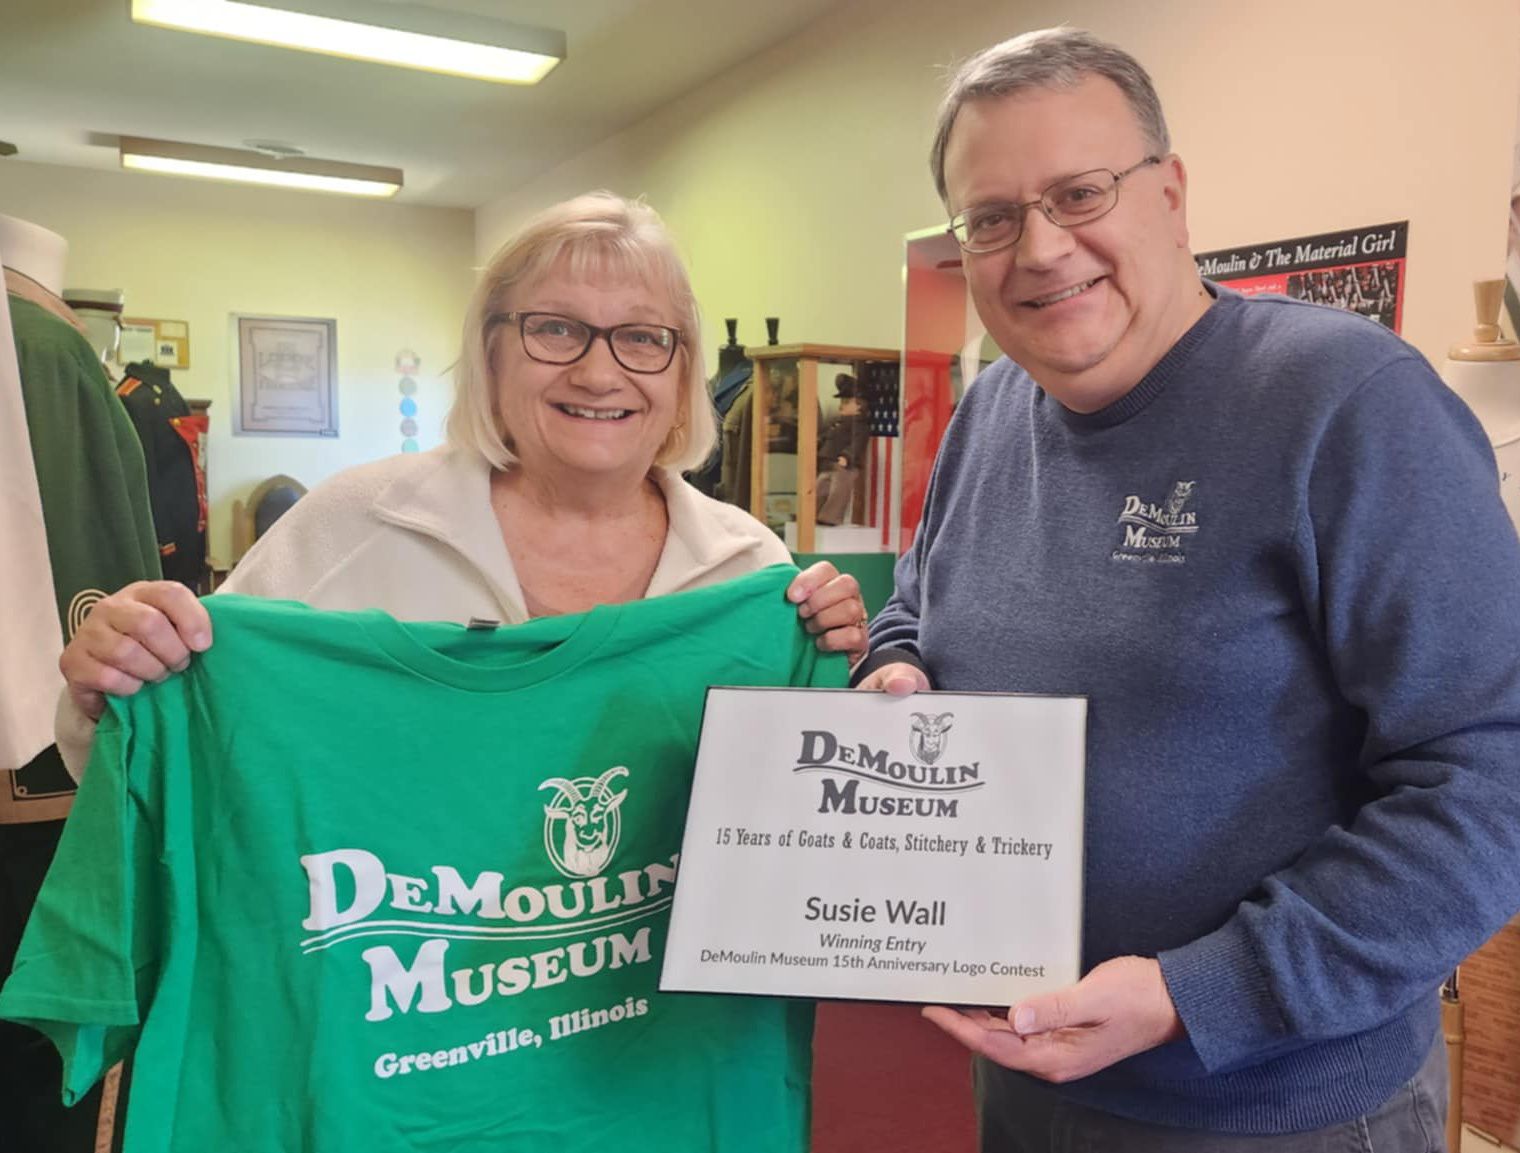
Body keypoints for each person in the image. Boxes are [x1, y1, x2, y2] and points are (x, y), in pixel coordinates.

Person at [856, 27, 1520, 1150]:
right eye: (993, 217)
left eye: (1079, 193)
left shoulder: (1347, 404)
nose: (1039, 247)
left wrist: (1199, 993)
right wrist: (894, 663)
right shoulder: (986, 413)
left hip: (1272, 1109)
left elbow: (1489, 782)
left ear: (1169, 195)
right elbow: (920, 601)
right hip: (1025, 1079)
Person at [57, 192, 867, 764]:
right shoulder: (355, 524)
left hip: (653, 1003)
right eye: (555, 328)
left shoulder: (749, 570)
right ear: (490, 352)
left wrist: (846, 668)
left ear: (681, 367)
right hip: (407, 992)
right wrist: (115, 682)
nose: (598, 371)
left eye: (642, 337)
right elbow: (176, 740)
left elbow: (795, 810)